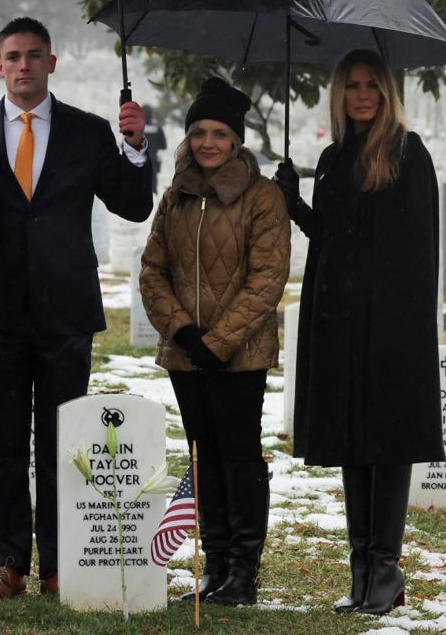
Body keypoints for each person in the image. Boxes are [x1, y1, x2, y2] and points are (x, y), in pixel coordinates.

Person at [0, 16, 154, 599]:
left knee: (60, 446)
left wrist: (134, 147)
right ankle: (11, 567)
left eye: (34, 55)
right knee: (3, 446)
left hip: (66, 314)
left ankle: (57, 565)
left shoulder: (86, 131)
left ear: (52, 62)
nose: (23, 65)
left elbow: (132, 206)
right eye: (13, 56)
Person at [274, 49, 443, 616]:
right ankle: (361, 572)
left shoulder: (406, 153)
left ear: (388, 91)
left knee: (386, 446)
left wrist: (400, 326)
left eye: (372, 85)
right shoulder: (331, 156)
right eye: (352, 86)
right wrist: (293, 200)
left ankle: (386, 570)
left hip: (390, 328)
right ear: (338, 94)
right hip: (340, 325)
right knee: (351, 445)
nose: (362, 95)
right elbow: (330, 239)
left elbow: (420, 249)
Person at [139, 76, 290, 607]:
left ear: (237, 140)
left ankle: (244, 572)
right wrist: (182, 330)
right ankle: (216, 565)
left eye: (220, 133)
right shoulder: (176, 195)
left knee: (238, 455)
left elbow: (268, 278)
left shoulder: (263, 197)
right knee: (203, 453)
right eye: (199, 131)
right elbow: (152, 269)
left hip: (240, 354)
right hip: (186, 352)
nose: (208, 142)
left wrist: (219, 341)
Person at [142, 104, 168, 194]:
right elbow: (163, 146)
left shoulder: (135, 128)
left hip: (136, 163)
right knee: (152, 190)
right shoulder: (157, 128)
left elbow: (125, 145)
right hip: (152, 162)